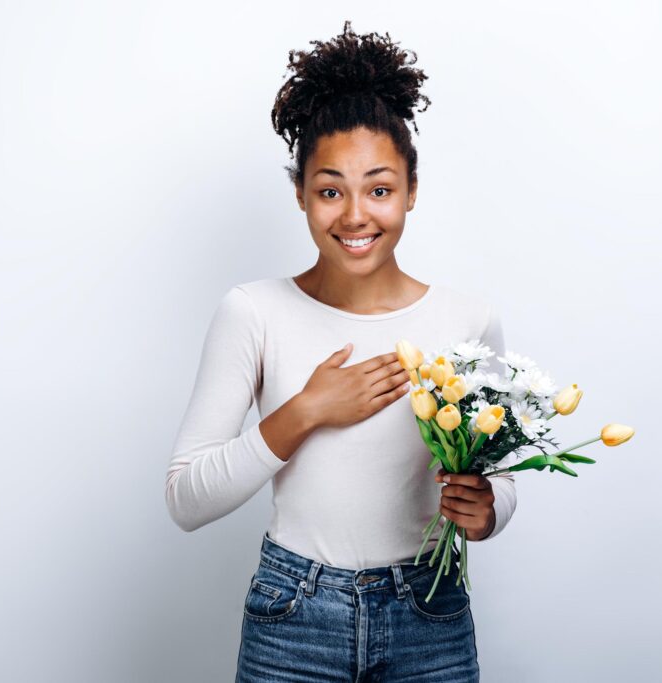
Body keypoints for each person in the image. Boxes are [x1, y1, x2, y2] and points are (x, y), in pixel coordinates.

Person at [165, 20, 517, 682]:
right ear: (300, 192)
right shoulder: (254, 313)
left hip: (428, 615)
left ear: (411, 190)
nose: (355, 214)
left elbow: (498, 478)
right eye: (330, 189)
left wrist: (489, 508)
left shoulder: (469, 319)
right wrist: (306, 410)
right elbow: (186, 498)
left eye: (379, 188)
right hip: (293, 615)